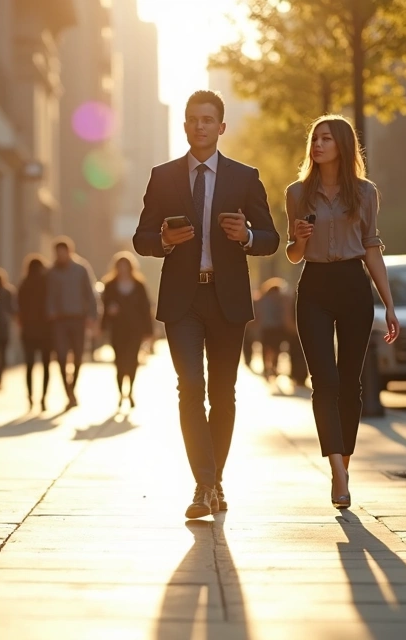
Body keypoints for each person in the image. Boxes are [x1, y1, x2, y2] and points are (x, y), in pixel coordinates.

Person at [133, 90, 280, 519]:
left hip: (227, 298)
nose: (200, 126)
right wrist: (163, 240)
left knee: (223, 393)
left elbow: (271, 237)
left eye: (208, 119)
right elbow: (140, 238)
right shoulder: (163, 177)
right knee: (189, 389)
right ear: (184, 126)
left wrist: (247, 236)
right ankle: (204, 484)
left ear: (221, 127)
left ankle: (212, 480)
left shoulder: (244, 177)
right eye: (193, 119)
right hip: (183, 300)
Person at [285, 114, 399, 510]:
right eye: (314, 139)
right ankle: (336, 470)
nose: (317, 145)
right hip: (314, 286)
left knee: (351, 384)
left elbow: (371, 248)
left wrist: (388, 304)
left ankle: (344, 464)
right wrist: (298, 240)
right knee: (325, 381)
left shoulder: (366, 193)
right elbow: (293, 254)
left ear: (343, 146)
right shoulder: (296, 193)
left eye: (326, 139)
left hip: (353, 286)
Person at [46, 237, 98, 411]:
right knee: (61, 356)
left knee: (78, 355)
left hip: (78, 318)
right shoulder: (51, 272)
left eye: (63, 252)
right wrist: (50, 310)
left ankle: (72, 387)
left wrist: (92, 315)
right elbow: (47, 295)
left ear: (70, 252)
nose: (61, 256)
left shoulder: (81, 269)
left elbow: (90, 294)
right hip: (59, 320)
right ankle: (67, 391)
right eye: (58, 253)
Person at [101, 252, 154, 409]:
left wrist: (149, 331)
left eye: (126, 266)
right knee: (119, 362)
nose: (123, 269)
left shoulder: (139, 285)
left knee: (132, 361)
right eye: (120, 266)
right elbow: (104, 308)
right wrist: (105, 323)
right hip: (117, 329)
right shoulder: (110, 285)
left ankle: (130, 391)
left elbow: (146, 309)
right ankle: (120, 393)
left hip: (135, 329)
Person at [17, 255, 54, 411]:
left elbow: (19, 308)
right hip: (46, 330)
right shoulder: (47, 283)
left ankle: (30, 397)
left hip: (28, 331)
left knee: (30, 366)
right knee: (46, 366)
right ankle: (43, 398)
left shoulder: (24, 285)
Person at [255, 278, 289, 380]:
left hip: (266, 328)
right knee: (276, 349)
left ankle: (266, 368)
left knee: (266, 348)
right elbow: (284, 313)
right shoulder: (281, 299)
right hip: (278, 328)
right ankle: (274, 367)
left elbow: (258, 313)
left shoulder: (263, 298)